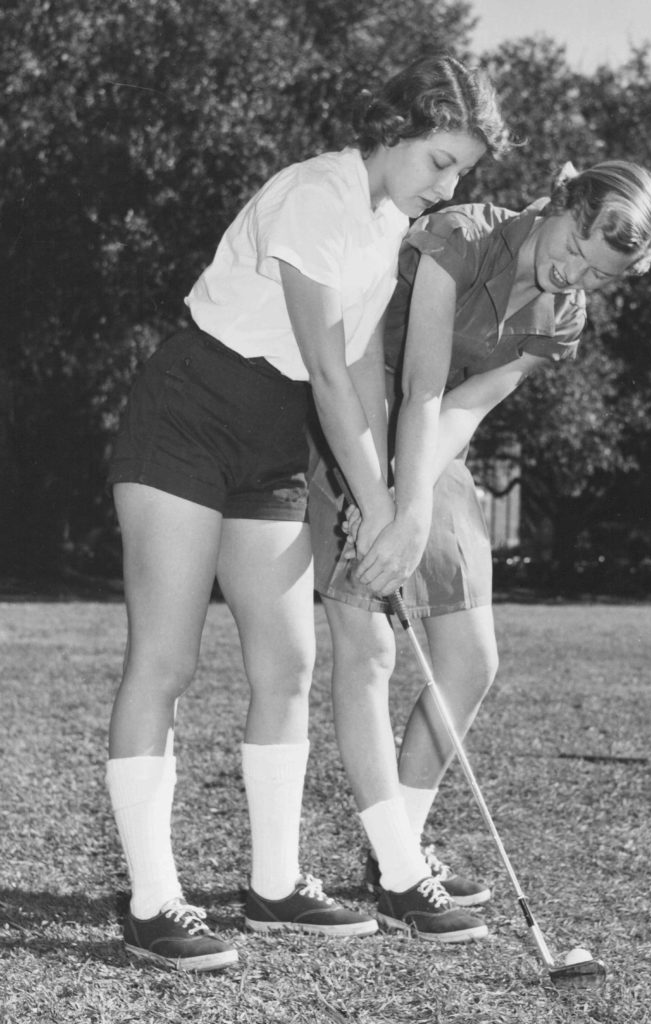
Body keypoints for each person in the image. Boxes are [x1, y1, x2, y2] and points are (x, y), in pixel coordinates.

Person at [104, 53, 508, 971]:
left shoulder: (383, 227)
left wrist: (388, 506)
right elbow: (326, 368)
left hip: (272, 443)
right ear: (398, 128)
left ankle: (275, 886)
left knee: (289, 660)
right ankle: (152, 901)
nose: (447, 185)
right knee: (165, 660)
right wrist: (381, 508)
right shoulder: (319, 195)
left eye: (461, 174)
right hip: (192, 415)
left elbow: (362, 376)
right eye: (440, 160)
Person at [308, 159, 651, 940]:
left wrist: (415, 500)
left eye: (597, 277)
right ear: (563, 203)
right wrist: (389, 509)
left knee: (471, 659)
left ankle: (392, 848)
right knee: (368, 646)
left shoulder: (561, 317)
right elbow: (423, 382)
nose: (572, 274)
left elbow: (468, 406)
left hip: (435, 446)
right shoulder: (460, 235)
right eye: (575, 246)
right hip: (355, 410)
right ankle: (402, 868)